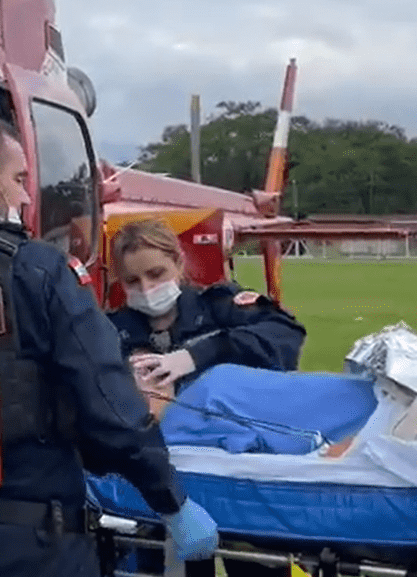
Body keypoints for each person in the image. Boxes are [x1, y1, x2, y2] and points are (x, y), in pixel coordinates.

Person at [0, 112, 219, 576]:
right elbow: (109, 409)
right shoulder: (36, 271)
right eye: (21, 179)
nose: (29, 195)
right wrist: (172, 501)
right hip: (33, 543)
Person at [106, 218, 307, 577]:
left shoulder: (219, 306)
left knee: (255, 564)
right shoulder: (110, 330)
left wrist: (199, 356)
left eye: (156, 274)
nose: (147, 288)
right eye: (133, 281)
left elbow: (285, 333)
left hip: (236, 477)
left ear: (179, 264)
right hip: (160, 484)